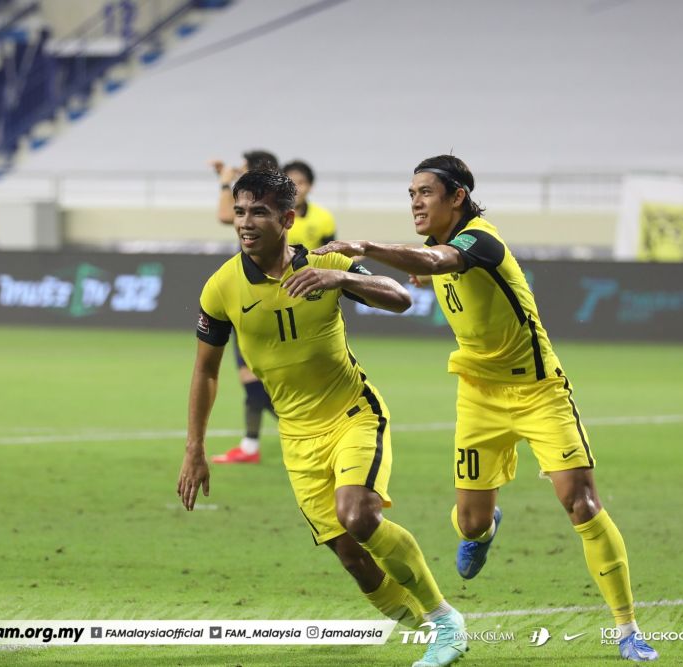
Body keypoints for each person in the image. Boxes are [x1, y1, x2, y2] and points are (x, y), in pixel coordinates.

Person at [315, 155, 658, 662]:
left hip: (539, 391)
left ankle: (627, 630)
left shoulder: (481, 239)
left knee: (581, 503)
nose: (415, 202)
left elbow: (440, 262)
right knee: (470, 523)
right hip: (478, 396)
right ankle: (488, 524)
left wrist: (365, 247)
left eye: (425, 192)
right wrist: (424, 271)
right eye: (410, 194)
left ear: (457, 197)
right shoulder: (442, 249)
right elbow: (435, 265)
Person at [177, 169, 468, 667]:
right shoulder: (221, 287)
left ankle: (445, 621)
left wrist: (339, 276)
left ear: (287, 218)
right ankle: (424, 631)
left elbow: (400, 298)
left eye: (259, 212)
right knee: (352, 558)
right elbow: (205, 371)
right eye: (241, 211)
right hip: (297, 436)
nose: (246, 223)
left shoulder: (324, 263)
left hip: (353, 413)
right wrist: (195, 450)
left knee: (359, 517)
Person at [208, 149, 280, 463]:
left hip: (262, 297)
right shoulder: (278, 201)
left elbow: (226, 215)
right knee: (253, 381)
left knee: (257, 381)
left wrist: (225, 184)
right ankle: (250, 444)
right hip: (258, 293)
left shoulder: (263, 202)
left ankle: (315, 432)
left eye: (245, 169)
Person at [282, 160, 337, 250]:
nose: (294, 189)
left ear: (310, 186)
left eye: (300, 183)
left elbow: (332, 254)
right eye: (289, 183)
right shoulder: (270, 216)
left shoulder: (323, 217)